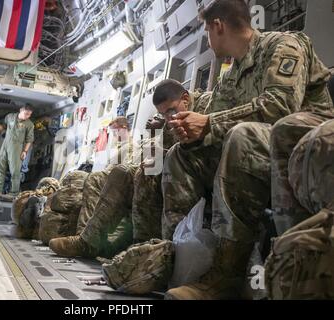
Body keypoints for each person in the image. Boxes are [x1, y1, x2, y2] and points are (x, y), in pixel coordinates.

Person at [160, 0, 333, 300]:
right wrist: (191, 133)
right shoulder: (232, 74)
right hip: (262, 147)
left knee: (242, 135)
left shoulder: (283, 45)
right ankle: (178, 259)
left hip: (300, 140)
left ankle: (228, 273)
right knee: (182, 155)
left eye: (206, 30)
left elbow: (280, 107)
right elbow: (213, 118)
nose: (207, 38)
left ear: (218, 26)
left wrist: (209, 123)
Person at [47, 91, 207, 258]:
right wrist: (155, 134)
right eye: (162, 113)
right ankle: (86, 240)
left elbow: (180, 152)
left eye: (170, 111)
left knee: (138, 172)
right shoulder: (165, 124)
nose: (167, 116)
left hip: (181, 171)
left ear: (186, 101)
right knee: (102, 177)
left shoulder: (196, 118)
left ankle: (139, 251)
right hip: (157, 167)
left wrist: (157, 151)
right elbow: (155, 153)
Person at [0, 104, 35, 201]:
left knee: (15, 171)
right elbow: (3, 127)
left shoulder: (29, 124)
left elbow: (29, 140)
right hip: (5, 145)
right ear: (21, 110)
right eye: (26, 114)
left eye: (29, 115)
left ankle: (13, 193)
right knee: (0, 167)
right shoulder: (10, 117)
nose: (27, 116)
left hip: (17, 148)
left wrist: (25, 151)